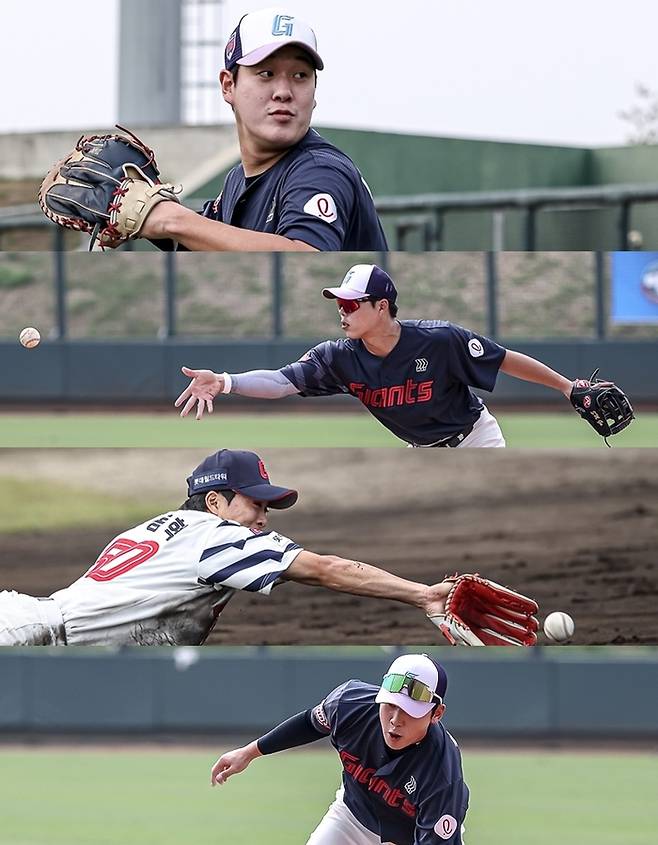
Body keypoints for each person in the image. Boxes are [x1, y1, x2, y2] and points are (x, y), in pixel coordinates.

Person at [0, 449, 452, 646]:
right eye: (255, 503)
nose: (262, 518)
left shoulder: (156, 527)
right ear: (216, 501)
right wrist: (422, 594)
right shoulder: (218, 536)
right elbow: (324, 568)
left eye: (267, 507)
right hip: (31, 636)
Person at [175, 263, 587, 447]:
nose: (342, 310)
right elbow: (282, 382)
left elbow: (504, 359)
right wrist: (225, 382)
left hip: (474, 440)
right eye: (339, 302)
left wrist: (568, 388)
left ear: (382, 307)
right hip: (421, 451)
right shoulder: (338, 357)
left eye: (352, 303)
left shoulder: (439, 340)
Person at [140, 8, 388, 251]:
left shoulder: (318, 170)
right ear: (228, 86)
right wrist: (146, 217)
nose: (283, 92)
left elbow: (304, 254)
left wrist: (171, 220)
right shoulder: (238, 180)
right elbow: (204, 237)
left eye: (300, 75)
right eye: (266, 73)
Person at [211, 652, 469, 845]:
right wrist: (249, 752)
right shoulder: (349, 705)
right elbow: (309, 724)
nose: (395, 720)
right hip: (352, 817)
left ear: (436, 713)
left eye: (411, 711)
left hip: (413, 836)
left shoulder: (444, 776)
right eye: (390, 705)